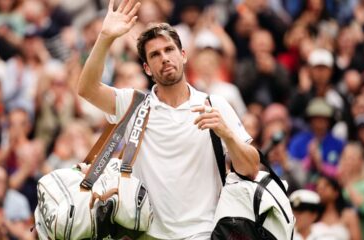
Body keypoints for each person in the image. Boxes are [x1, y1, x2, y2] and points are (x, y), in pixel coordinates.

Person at [77, 0, 260, 239]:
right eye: (155, 54)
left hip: (204, 232)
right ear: (147, 68)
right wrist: (105, 37)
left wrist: (227, 135)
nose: (164, 58)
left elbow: (251, 168)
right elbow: (87, 89)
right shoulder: (134, 104)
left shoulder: (214, 104)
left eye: (169, 50)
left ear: (183, 55)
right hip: (148, 234)